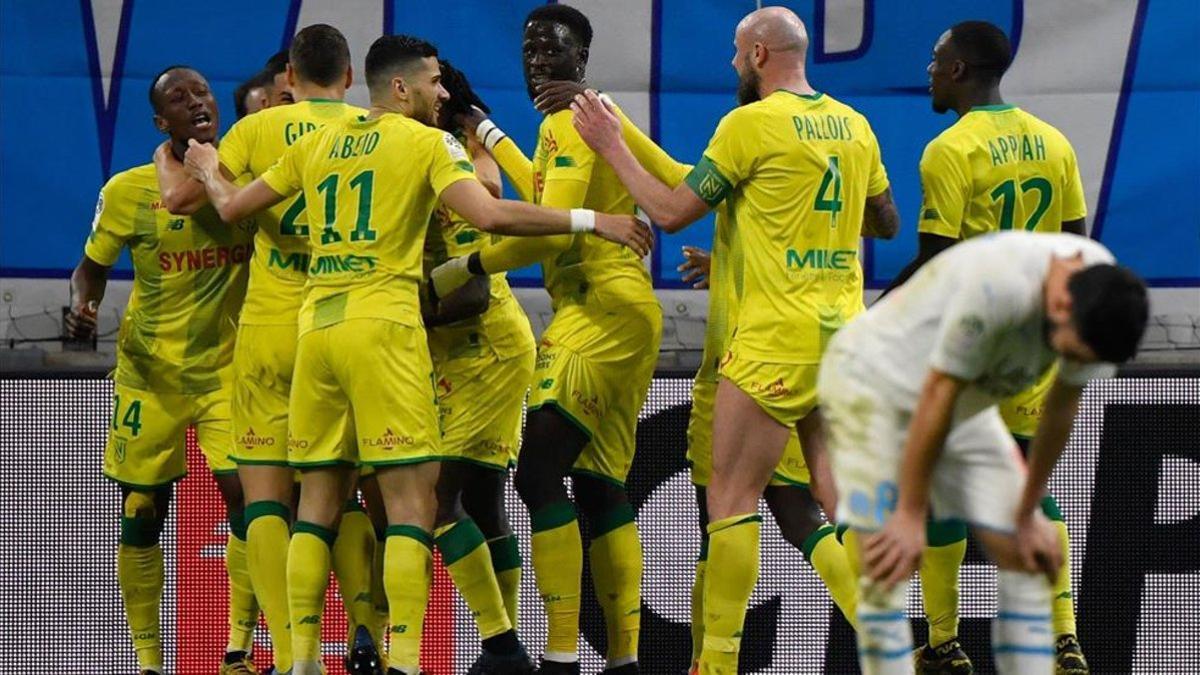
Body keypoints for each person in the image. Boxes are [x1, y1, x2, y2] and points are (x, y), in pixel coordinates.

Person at [182, 34, 651, 675]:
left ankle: (303, 660)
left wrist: (208, 167)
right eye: (432, 81)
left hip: (316, 329)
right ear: (398, 87)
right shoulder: (429, 144)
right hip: (387, 330)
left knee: (317, 505)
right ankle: (407, 658)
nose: (441, 92)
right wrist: (591, 220)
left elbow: (233, 207)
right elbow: (491, 214)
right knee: (411, 507)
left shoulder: (312, 143)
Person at [569, 6, 899, 672]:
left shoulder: (749, 125)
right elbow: (885, 221)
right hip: (844, 338)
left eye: (733, 52)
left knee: (730, 501)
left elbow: (667, 211)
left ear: (756, 55)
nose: (729, 63)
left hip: (775, 340)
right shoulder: (855, 126)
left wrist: (612, 145)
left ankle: (716, 662)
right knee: (833, 501)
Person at [429, 6, 695, 672]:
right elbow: (553, 194)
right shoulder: (590, 114)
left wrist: (464, 265)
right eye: (530, 49)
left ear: (582, 56)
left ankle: (558, 655)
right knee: (601, 482)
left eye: (555, 49)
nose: (539, 59)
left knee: (541, 473)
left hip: (597, 313)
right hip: (623, 312)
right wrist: (481, 121)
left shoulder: (567, 120)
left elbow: (556, 225)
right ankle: (626, 659)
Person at [153, 24, 386, 674]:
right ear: (347, 77)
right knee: (338, 491)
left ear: (288, 77)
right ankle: (365, 625)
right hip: (345, 322)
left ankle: (290, 653)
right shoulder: (372, 127)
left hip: (269, 328)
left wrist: (180, 158)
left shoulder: (257, 131)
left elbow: (182, 199)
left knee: (264, 499)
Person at [818, 231, 1147, 675]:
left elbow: (1062, 406)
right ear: (1062, 307)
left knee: (1028, 547)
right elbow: (934, 396)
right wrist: (911, 511)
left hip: (964, 397)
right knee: (886, 559)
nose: (1065, 360)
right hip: (873, 381)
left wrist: (1027, 508)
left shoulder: (1102, 292)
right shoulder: (996, 287)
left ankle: (1007, 655)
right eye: (1067, 350)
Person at [886, 21, 1091, 674]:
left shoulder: (950, 150)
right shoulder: (1054, 142)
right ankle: (1065, 636)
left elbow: (935, 257)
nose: (928, 69)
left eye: (935, 58)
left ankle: (943, 643)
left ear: (958, 71)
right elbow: (1076, 244)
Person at [65, 65, 258, 675]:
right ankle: (149, 659)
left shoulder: (247, 179)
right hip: (150, 376)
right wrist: (85, 306)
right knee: (141, 510)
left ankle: (238, 649)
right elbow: (90, 267)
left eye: (201, 92)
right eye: (179, 98)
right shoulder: (127, 191)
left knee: (252, 506)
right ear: (160, 122)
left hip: (229, 372)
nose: (196, 102)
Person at [420, 58, 538, 672]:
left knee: (436, 500)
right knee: (486, 504)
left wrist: (394, 312)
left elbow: (468, 290)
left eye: (436, 86)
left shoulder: (458, 164)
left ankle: (500, 644)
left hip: (480, 343)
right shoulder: (446, 154)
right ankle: (507, 646)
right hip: (480, 343)